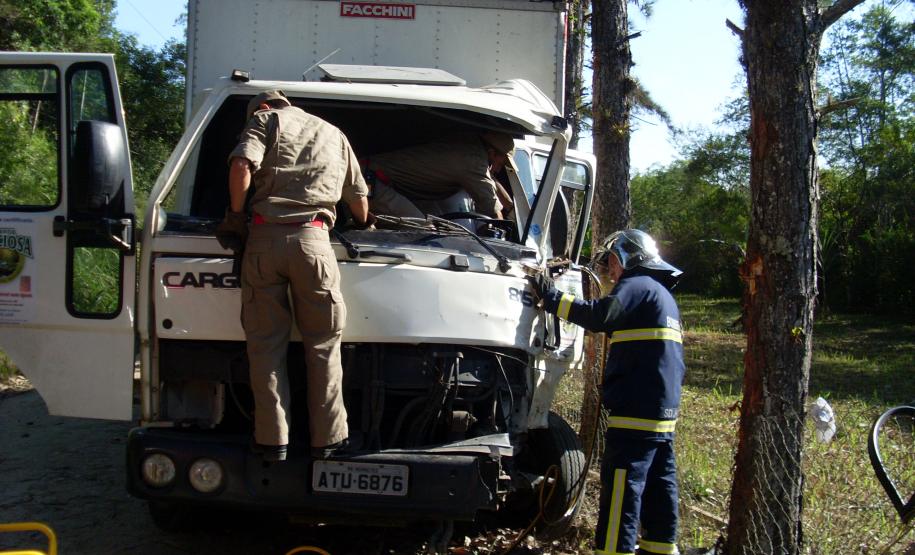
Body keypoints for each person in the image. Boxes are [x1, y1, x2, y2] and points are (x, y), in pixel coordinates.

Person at [216, 90, 370, 462]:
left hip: (264, 241)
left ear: (263, 108)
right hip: (315, 242)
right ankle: (329, 440)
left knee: (266, 346)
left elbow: (241, 166)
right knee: (323, 345)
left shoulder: (265, 120)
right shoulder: (335, 134)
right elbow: (360, 202)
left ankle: (272, 441)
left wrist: (236, 216)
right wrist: (363, 223)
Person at [529, 229, 686, 555]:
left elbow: (602, 315)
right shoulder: (662, 296)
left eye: (611, 263)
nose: (610, 272)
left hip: (635, 411)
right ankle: (660, 548)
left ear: (626, 257)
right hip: (662, 413)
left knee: (622, 489)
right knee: (660, 485)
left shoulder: (636, 286)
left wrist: (554, 299)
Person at [364, 131, 515, 219]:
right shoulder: (473, 162)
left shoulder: (469, 149)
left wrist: (509, 205)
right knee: (421, 231)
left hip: (372, 174)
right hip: (372, 180)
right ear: (491, 152)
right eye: (501, 163)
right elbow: (491, 208)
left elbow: (489, 179)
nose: (499, 169)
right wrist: (503, 234)